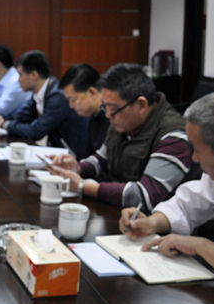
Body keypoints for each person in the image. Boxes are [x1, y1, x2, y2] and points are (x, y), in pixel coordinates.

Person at [50, 63, 199, 211]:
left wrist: (82, 186)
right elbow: (102, 159)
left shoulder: (173, 136)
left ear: (141, 105)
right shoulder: (123, 120)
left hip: (157, 221)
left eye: (113, 109)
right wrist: (78, 168)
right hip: (123, 212)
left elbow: (145, 196)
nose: (108, 115)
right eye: (105, 107)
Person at [120, 90, 214, 282]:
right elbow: (187, 205)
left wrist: (201, 246)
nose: (194, 158)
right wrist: (152, 223)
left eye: (198, 150)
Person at [0, 50, 89, 159]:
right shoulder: (39, 92)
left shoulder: (57, 96)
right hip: (57, 152)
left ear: (34, 75)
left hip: (74, 156)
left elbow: (36, 131)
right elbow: (21, 117)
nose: (18, 80)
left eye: (20, 75)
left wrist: (3, 124)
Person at [59, 63, 110, 157]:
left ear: (92, 93)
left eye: (73, 99)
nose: (71, 106)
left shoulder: (112, 119)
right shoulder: (92, 114)